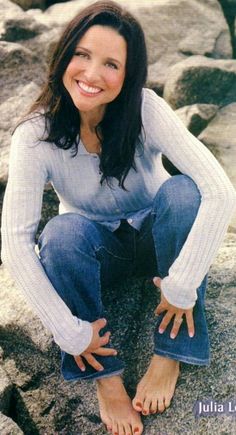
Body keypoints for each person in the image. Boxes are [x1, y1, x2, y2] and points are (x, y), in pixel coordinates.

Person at [1, 1, 236, 434]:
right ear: (64, 55)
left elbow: (220, 191)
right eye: (83, 55)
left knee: (183, 192)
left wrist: (182, 283)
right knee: (60, 232)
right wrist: (67, 332)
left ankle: (170, 354)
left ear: (128, 75)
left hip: (159, 242)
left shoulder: (145, 109)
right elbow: (15, 243)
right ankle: (106, 379)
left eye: (111, 64)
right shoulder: (35, 134)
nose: (92, 75)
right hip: (99, 254)